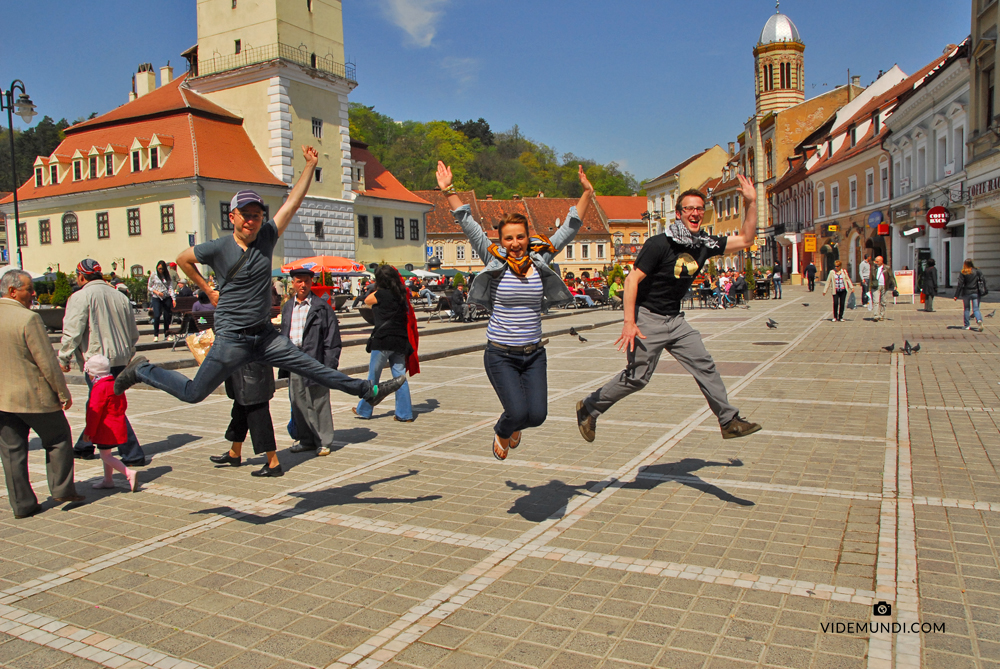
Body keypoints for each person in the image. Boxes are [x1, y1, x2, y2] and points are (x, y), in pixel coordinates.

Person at [112, 146, 405, 410]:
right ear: (233, 217)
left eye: (257, 214)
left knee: (313, 367)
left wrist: (308, 167)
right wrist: (207, 290)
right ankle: (142, 370)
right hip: (231, 340)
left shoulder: (266, 238)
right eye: (245, 214)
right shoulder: (218, 247)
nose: (251, 220)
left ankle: (368, 390)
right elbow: (182, 259)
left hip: (264, 336)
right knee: (193, 393)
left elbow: (291, 204)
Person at [577, 175, 762, 443]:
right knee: (638, 378)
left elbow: (745, 239)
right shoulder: (659, 244)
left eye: (699, 208)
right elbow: (631, 281)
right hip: (648, 318)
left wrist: (751, 203)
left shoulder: (704, 245)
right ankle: (589, 406)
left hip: (675, 320)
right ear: (679, 214)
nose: (695, 213)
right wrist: (629, 322)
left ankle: (728, 420)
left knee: (705, 365)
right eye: (689, 208)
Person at [438, 159, 592, 460]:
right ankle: (503, 429)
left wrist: (587, 193)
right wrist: (449, 191)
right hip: (500, 354)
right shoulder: (493, 259)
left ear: (528, 237)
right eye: (508, 238)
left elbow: (568, 230)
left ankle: (515, 424)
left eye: (520, 236)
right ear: (501, 241)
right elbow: (467, 222)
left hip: (533, 353)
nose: (515, 243)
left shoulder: (539, 258)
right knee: (517, 411)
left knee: (537, 416)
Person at [0, 270, 83, 518]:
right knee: (58, 438)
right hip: (33, 396)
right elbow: (46, 361)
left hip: (3, 399)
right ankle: (62, 488)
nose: (33, 293)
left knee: (12, 451)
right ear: (13, 291)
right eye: (28, 288)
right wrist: (62, 392)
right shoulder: (28, 319)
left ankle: (22, 505)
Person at [59, 259, 146, 466]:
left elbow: (72, 330)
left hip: (97, 360)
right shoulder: (120, 296)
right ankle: (84, 446)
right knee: (99, 402)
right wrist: (128, 352)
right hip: (121, 357)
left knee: (107, 405)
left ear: (81, 276)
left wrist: (64, 356)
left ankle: (132, 453)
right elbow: (133, 333)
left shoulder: (80, 297)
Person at [280, 268, 342, 456]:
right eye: (299, 281)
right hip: (293, 359)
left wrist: (329, 365)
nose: (303, 285)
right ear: (293, 283)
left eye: (306, 281)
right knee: (298, 400)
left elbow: (332, 339)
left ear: (311, 282)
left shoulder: (321, 307)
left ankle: (324, 441)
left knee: (319, 400)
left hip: (315, 359)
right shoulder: (288, 307)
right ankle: (306, 439)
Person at [354, 265, 418, 422]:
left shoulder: (380, 294)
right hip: (400, 341)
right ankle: (405, 414)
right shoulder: (401, 294)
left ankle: (364, 410)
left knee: (373, 378)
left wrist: (378, 287)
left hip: (382, 340)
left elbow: (367, 300)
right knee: (399, 378)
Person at [210, 362, 283, 476]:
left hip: (254, 374)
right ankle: (234, 453)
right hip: (243, 374)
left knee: (259, 417)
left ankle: (273, 463)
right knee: (240, 412)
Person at [83, 354, 139, 492]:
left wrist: (88, 432)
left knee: (105, 455)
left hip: (105, 427)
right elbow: (123, 404)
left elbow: (94, 412)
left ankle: (128, 473)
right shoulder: (114, 384)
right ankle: (108, 480)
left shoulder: (98, 388)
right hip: (116, 423)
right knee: (106, 453)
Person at [953, 259, 985, 331]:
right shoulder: (977, 271)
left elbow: (960, 284)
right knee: (976, 308)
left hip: (966, 292)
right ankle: (979, 320)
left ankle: (967, 325)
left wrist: (956, 295)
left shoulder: (963, 272)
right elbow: (982, 280)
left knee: (967, 309)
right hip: (975, 292)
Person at [148, 260, 174, 342]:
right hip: (157, 297)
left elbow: (170, 287)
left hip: (166, 297)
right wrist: (156, 292)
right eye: (159, 268)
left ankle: (167, 334)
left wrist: (173, 298)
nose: (161, 270)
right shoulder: (154, 275)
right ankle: (156, 335)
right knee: (157, 315)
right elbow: (149, 287)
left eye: (162, 269)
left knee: (167, 316)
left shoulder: (167, 276)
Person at [869, 256, 896, 322]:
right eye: (875, 261)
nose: (875, 263)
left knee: (883, 301)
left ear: (881, 261)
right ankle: (876, 315)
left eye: (877, 261)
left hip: (884, 286)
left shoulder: (887, 268)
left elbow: (891, 277)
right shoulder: (873, 268)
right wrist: (869, 287)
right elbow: (870, 278)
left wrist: (895, 285)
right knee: (876, 301)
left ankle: (881, 315)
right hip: (876, 286)